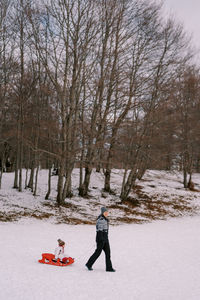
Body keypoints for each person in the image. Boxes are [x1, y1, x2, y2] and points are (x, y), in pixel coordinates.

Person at [85, 207, 115, 272]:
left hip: (105, 239)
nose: (106, 213)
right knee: (98, 253)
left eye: (107, 212)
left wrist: (105, 238)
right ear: (102, 213)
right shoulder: (101, 220)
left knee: (108, 253)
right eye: (105, 212)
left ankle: (109, 268)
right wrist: (101, 239)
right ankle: (89, 264)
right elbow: (99, 231)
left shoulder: (105, 219)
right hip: (101, 239)